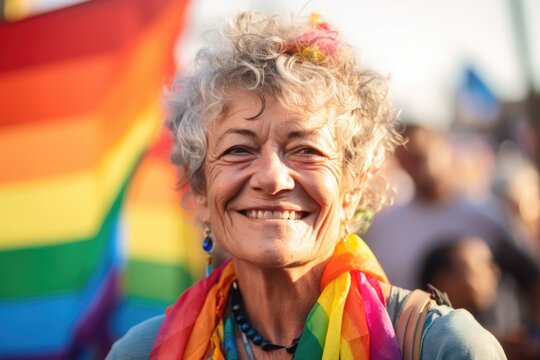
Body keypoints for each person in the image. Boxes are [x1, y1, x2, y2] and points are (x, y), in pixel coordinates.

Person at [107, 11, 505, 359]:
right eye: (239, 150)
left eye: (306, 150)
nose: (272, 177)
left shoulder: (442, 347)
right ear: (202, 194)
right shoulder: (143, 353)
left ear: (352, 189)